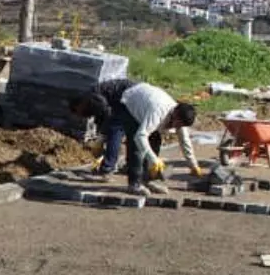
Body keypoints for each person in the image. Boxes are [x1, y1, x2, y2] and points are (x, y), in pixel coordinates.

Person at [70, 82, 200, 196]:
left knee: (155, 140)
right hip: (130, 103)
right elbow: (140, 137)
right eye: (178, 123)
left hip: (145, 101)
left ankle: (149, 180)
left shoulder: (179, 117)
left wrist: (193, 165)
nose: (177, 127)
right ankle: (134, 183)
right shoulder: (158, 112)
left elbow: (184, 140)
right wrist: (153, 159)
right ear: (175, 114)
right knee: (136, 146)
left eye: (181, 125)